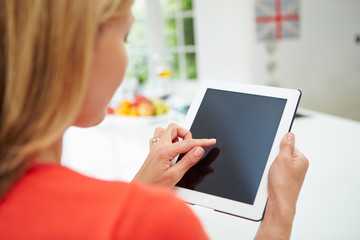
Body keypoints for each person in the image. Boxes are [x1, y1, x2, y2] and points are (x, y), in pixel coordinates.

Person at [0, 0, 309, 239]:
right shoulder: (158, 221)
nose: (126, 57)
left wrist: (140, 189)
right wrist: (280, 213)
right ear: (76, 50)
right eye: (125, 37)